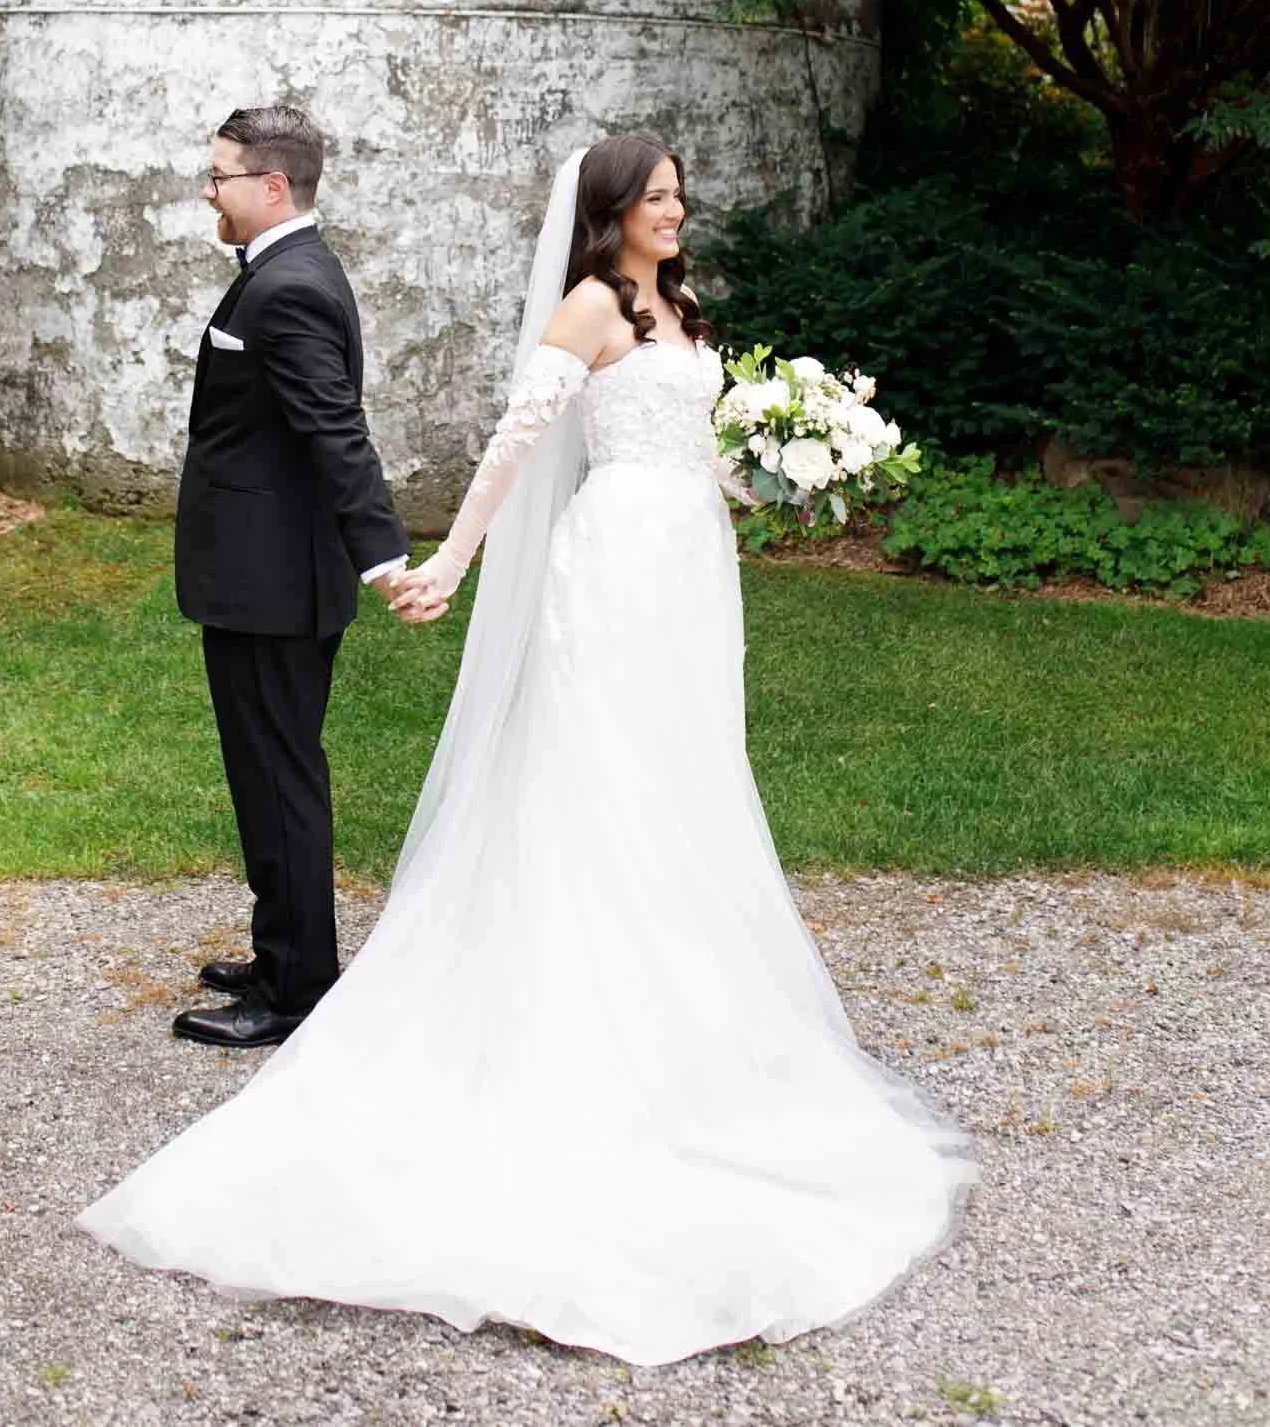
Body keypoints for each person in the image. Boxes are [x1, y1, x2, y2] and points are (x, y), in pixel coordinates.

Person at [81, 134, 974, 1364]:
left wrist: (777, 459)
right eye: (655, 196)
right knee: (595, 775)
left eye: (677, 194)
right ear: (609, 214)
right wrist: (445, 558)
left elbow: (688, 442)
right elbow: (519, 440)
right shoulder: (591, 304)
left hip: (686, 567)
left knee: (686, 774)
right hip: (607, 567)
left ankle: (700, 1010)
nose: (675, 210)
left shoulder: (684, 308)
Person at [168, 102, 409, 1050]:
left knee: (280, 777)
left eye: (220, 176)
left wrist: (383, 555)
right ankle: (281, 953)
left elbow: (335, 434)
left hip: (275, 587)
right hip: (257, 578)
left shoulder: (292, 287)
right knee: (266, 772)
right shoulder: (282, 272)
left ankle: (299, 988)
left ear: (273, 187)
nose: (208, 190)